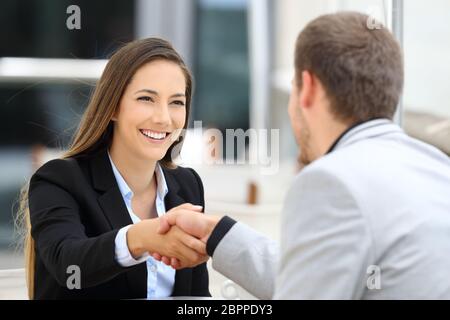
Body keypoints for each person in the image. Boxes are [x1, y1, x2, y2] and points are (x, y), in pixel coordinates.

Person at [155, 12, 450, 299]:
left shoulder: (331, 181)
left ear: (307, 88)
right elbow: (317, 278)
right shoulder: (436, 166)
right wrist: (219, 235)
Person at [18, 38, 210, 299]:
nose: (164, 118)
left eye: (176, 102)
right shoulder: (59, 180)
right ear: (113, 107)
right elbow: (69, 264)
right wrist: (141, 237)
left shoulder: (187, 184)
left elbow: (196, 297)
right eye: (146, 98)